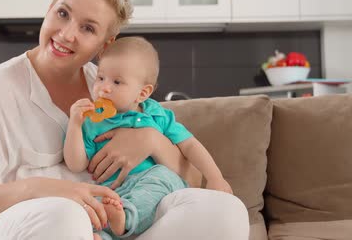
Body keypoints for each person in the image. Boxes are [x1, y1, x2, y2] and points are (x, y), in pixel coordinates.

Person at [0, 0, 249, 239]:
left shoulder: (111, 87)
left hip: (104, 226)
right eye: (62, 13)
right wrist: (39, 189)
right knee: (67, 218)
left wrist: (151, 140)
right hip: (23, 228)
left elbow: (190, 180)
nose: (67, 33)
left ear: (105, 45)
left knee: (226, 212)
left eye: (88, 28)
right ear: (49, 8)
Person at [64, 36, 233, 240]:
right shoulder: (92, 122)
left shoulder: (156, 115)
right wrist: (74, 125)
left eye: (117, 82)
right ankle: (106, 233)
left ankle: (126, 218)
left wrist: (215, 177)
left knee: (161, 175)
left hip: (154, 188)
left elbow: (189, 145)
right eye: (100, 78)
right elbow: (76, 164)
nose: (104, 88)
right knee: (91, 207)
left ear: (142, 93)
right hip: (112, 192)